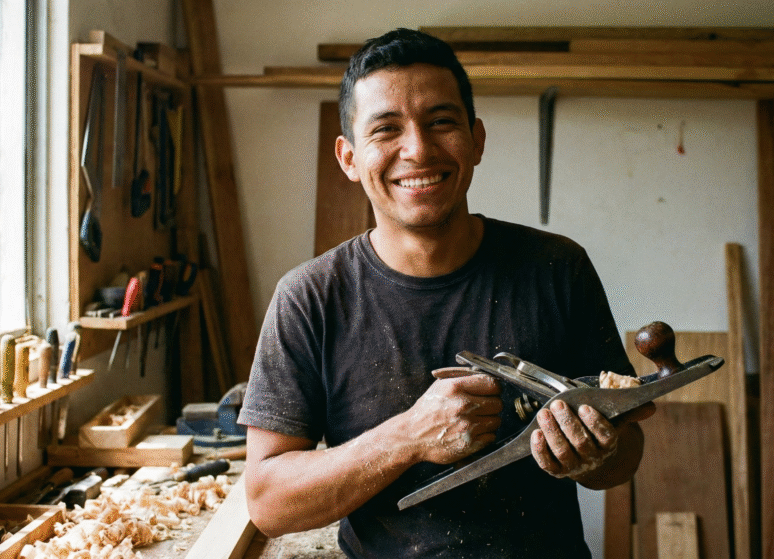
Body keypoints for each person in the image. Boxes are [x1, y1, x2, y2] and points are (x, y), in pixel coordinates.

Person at [238, 28, 655, 558]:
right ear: (348, 158)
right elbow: (269, 503)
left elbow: (624, 459)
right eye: (386, 129)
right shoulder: (309, 298)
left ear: (476, 140)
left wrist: (595, 453)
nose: (418, 149)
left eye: (441, 122)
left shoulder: (556, 268)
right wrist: (409, 437)